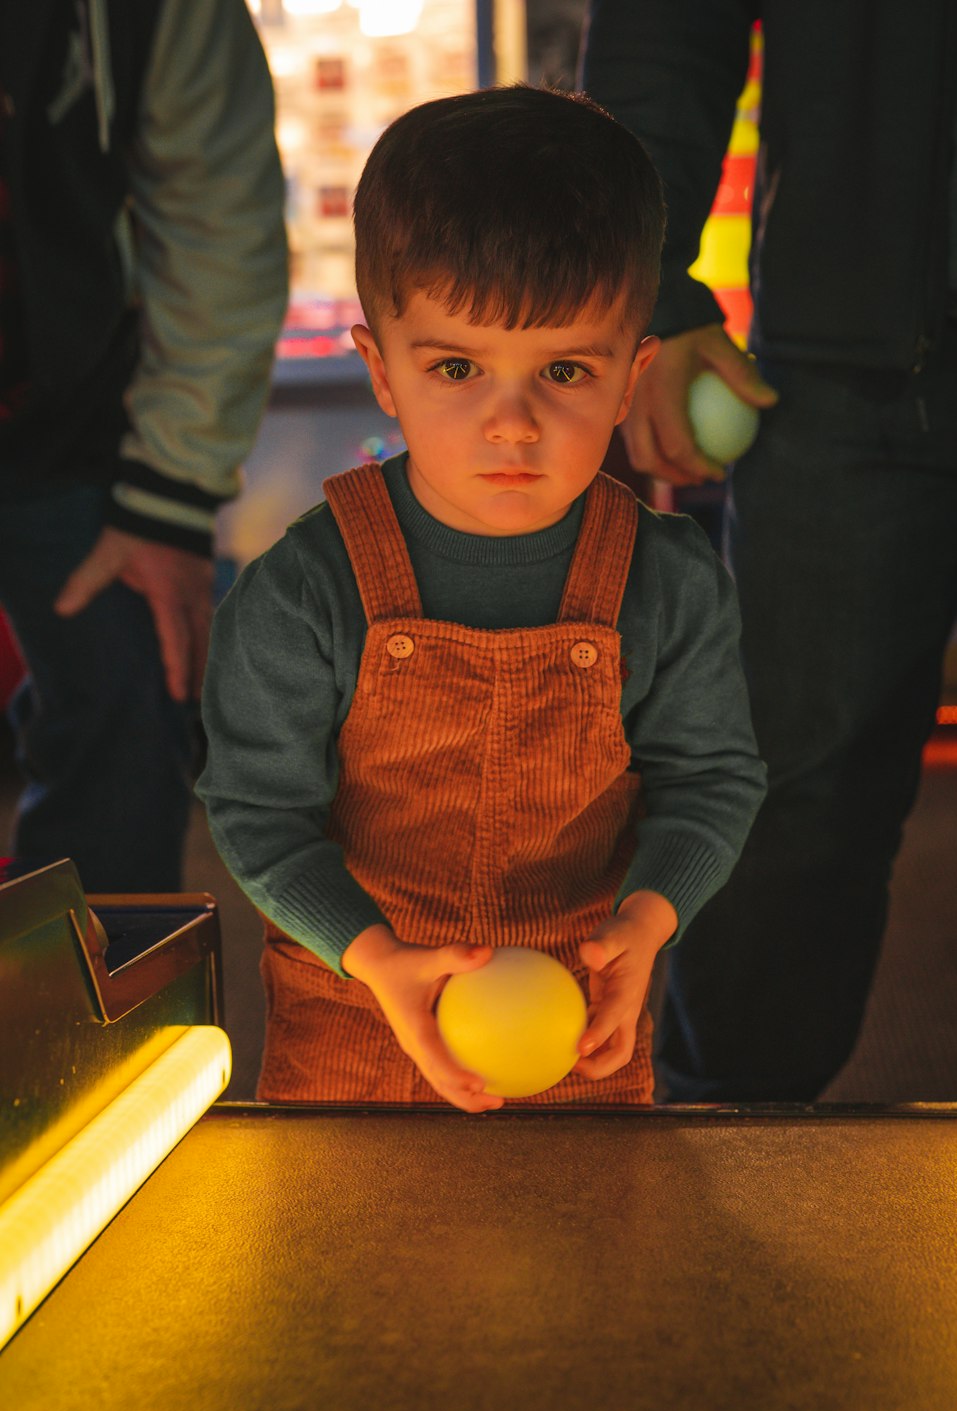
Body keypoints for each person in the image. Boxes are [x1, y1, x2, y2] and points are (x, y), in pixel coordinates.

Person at [196, 84, 766, 1112]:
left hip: (582, 1035)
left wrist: (646, 921)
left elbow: (711, 781)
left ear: (630, 375)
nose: (513, 424)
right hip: (354, 1031)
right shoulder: (302, 592)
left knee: (583, 1265)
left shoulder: (670, 583)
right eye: (457, 366)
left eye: (562, 369)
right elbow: (258, 812)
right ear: (380, 367)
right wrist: (369, 954)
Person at [582, 0, 957, 1099]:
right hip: (848, 342)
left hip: (848, 331)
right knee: (781, 798)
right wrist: (651, 291)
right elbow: (670, 26)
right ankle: (725, 1163)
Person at [0, 0, 288, 892]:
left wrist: (170, 492)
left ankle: (92, 1029)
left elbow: (215, 215)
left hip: (66, 411)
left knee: (133, 694)